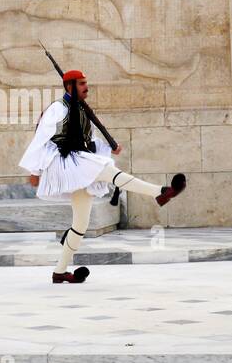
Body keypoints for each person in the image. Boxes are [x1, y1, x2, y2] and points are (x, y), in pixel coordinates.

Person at [19, 68, 185, 284]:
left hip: (81, 163)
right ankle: (160, 193)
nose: (86, 87)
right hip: (68, 162)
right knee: (110, 172)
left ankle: (60, 272)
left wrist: (109, 148)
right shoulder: (58, 109)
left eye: (86, 83)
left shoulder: (82, 110)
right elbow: (40, 138)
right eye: (82, 84)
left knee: (80, 225)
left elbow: (90, 140)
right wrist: (35, 171)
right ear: (69, 86)